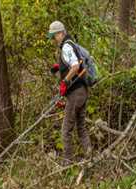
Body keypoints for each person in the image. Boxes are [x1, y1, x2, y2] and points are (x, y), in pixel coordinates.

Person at [48, 21, 92, 163]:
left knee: (66, 131)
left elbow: (74, 67)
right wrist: (59, 67)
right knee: (81, 128)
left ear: (60, 33)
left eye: (54, 36)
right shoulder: (71, 43)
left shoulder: (66, 46)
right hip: (83, 92)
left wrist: (65, 82)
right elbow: (76, 61)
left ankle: (68, 162)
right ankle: (90, 157)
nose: (54, 39)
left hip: (75, 93)